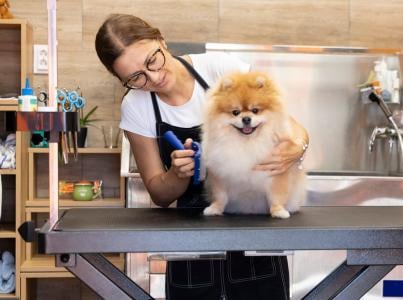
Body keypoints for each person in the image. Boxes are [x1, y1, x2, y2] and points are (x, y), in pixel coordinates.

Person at [95, 14, 308, 300]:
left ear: (161, 40)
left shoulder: (218, 68)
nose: (154, 78)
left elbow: (285, 123)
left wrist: (299, 145)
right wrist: (176, 175)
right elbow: (159, 193)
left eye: (152, 61)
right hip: (191, 238)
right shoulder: (136, 106)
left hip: (254, 223)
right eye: (136, 78)